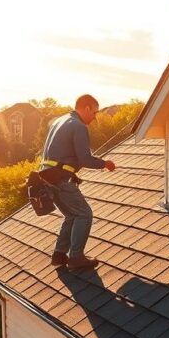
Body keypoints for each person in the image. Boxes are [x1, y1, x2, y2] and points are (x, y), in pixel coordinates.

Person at [38, 94, 115, 270]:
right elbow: (85, 159)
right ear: (86, 107)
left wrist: (71, 172)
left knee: (72, 215)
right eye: (94, 113)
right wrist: (105, 164)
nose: (95, 118)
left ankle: (59, 255)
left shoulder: (60, 121)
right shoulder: (78, 126)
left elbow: (58, 155)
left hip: (47, 177)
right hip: (60, 179)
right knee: (84, 214)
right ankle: (76, 258)